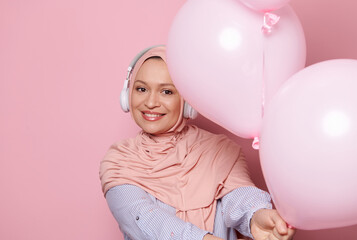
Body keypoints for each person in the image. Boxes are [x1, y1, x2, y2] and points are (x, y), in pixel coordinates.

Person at [99, 45, 296, 240]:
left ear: (187, 100)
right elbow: (143, 218)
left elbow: (239, 196)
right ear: (127, 95)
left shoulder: (220, 150)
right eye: (141, 89)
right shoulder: (119, 161)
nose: (150, 102)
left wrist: (257, 216)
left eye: (167, 92)